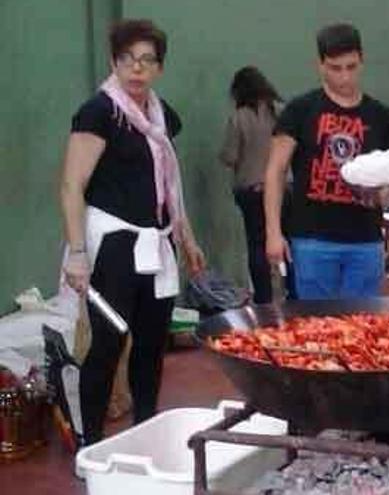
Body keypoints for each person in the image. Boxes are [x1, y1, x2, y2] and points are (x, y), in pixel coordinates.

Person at [59, 19, 205, 445]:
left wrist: (187, 238)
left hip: (157, 244)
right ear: (114, 62)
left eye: (147, 61)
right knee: (107, 345)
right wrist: (77, 252)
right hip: (115, 247)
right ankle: (91, 445)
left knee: (150, 347)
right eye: (128, 60)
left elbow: (170, 188)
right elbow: (71, 185)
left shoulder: (160, 116)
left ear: (159, 67)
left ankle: (145, 434)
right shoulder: (99, 113)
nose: (137, 69)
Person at [263, 23, 389, 299]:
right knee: (316, 327)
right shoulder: (300, 110)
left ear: (362, 60)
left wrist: (386, 195)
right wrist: (273, 232)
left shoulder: (383, 117)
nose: (344, 77)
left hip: (365, 239)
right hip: (312, 239)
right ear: (320, 65)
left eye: (351, 67)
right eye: (335, 68)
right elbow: (275, 171)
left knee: (364, 327)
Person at [220, 66, 288, 304]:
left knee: (257, 244)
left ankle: (263, 297)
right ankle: (294, 291)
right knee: (286, 239)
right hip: (283, 188)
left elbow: (229, 156)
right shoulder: (282, 111)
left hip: (250, 189)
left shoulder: (239, 117)